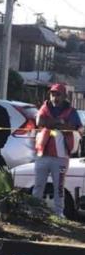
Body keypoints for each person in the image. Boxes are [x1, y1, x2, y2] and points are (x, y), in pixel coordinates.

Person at [33, 83, 82, 217]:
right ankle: (34, 212)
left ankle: (59, 213)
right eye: (53, 94)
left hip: (61, 157)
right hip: (42, 154)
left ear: (64, 96)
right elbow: (40, 122)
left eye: (58, 94)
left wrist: (53, 123)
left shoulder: (71, 111)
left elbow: (75, 127)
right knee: (38, 186)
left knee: (59, 187)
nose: (55, 97)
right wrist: (60, 122)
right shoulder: (45, 107)